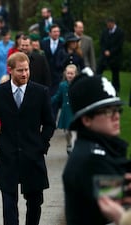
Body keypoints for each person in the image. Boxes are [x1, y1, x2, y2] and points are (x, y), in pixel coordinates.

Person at [0, 52, 56, 225]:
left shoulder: (40, 92)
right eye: (20, 70)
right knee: (9, 203)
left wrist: (41, 144)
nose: (24, 74)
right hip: (7, 156)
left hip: (33, 156)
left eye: (26, 70)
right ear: (10, 70)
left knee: (35, 202)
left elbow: (49, 123)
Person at [62, 73, 130, 225]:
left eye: (117, 109)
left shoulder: (100, 149)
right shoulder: (92, 159)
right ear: (86, 119)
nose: (116, 116)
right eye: (107, 111)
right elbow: (117, 201)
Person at [51, 64, 77, 154]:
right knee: (67, 133)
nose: (70, 75)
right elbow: (57, 97)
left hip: (74, 112)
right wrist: (47, 102)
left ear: (75, 74)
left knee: (74, 132)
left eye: (72, 73)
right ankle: (69, 144)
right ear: (65, 74)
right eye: (68, 73)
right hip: (66, 112)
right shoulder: (62, 85)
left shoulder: (77, 85)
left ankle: (73, 150)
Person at [96, 17, 124, 92]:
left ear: (113, 23)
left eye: (109, 24)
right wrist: (104, 51)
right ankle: (96, 85)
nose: (108, 26)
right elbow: (101, 42)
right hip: (104, 55)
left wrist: (110, 52)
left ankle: (116, 89)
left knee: (115, 74)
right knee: (98, 70)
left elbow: (119, 45)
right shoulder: (105, 31)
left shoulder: (120, 32)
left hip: (115, 56)